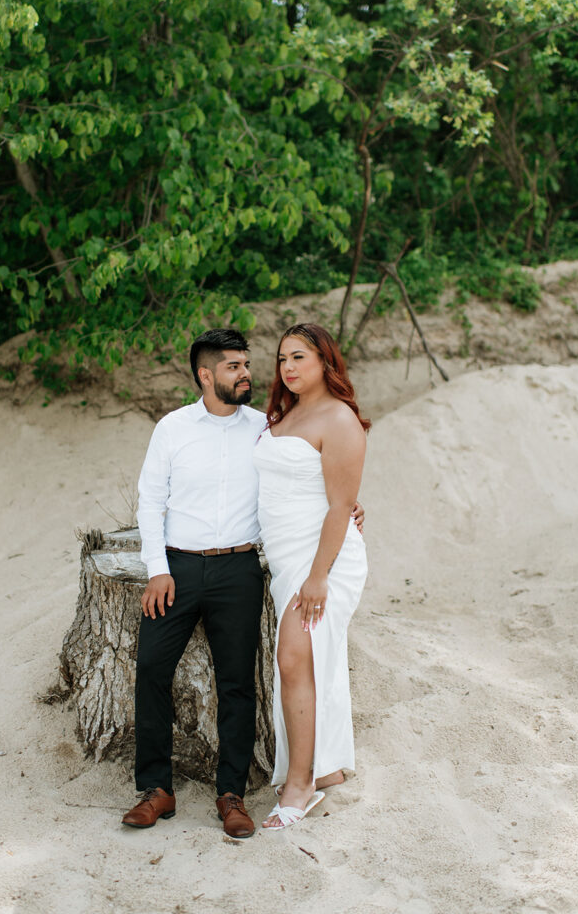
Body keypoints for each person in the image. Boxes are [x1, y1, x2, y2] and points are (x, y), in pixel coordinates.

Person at [122, 328, 364, 839]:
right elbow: (149, 501)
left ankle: (231, 793)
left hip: (241, 569)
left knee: (239, 679)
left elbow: (323, 481)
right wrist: (156, 567)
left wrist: (347, 510)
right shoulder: (174, 428)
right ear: (205, 375)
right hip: (179, 567)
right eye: (234, 367)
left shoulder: (264, 426)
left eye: (249, 365)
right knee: (150, 668)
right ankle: (156, 789)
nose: (249, 374)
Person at [253, 323, 370, 830]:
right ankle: (325, 771)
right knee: (313, 658)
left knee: (293, 655)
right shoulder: (283, 415)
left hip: (325, 560)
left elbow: (341, 505)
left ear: (325, 361)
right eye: (282, 359)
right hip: (286, 557)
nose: (289, 368)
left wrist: (319, 576)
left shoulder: (339, 418)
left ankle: (299, 784)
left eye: (299, 357)